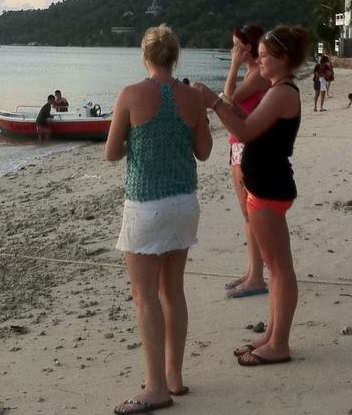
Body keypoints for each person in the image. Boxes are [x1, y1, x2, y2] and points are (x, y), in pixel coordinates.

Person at [105, 25, 213, 414]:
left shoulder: (131, 94)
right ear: (175, 56)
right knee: (173, 292)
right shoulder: (191, 98)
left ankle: (155, 388)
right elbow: (203, 152)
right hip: (184, 202)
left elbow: (112, 152)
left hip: (147, 204)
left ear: (146, 56)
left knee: (145, 296)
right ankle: (174, 377)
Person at [194, 25, 310, 367]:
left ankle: (280, 343)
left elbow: (243, 130)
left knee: (280, 269)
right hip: (267, 183)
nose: (258, 61)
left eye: (263, 55)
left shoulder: (282, 91)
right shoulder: (278, 89)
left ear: (282, 59)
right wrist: (225, 107)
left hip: (270, 185)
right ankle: (272, 335)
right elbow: (251, 122)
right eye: (257, 55)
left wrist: (214, 102)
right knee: (276, 268)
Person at [222, 24, 270, 299]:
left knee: (250, 211)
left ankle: (256, 276)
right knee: (246, 212)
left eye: (235, 46)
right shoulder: (254, 73)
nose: (233, 51)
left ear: (247, 48)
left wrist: (232, 66)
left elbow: (229, 97)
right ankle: (253, 270)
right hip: (240, 143)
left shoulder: (256, 75)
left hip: (246, 145)